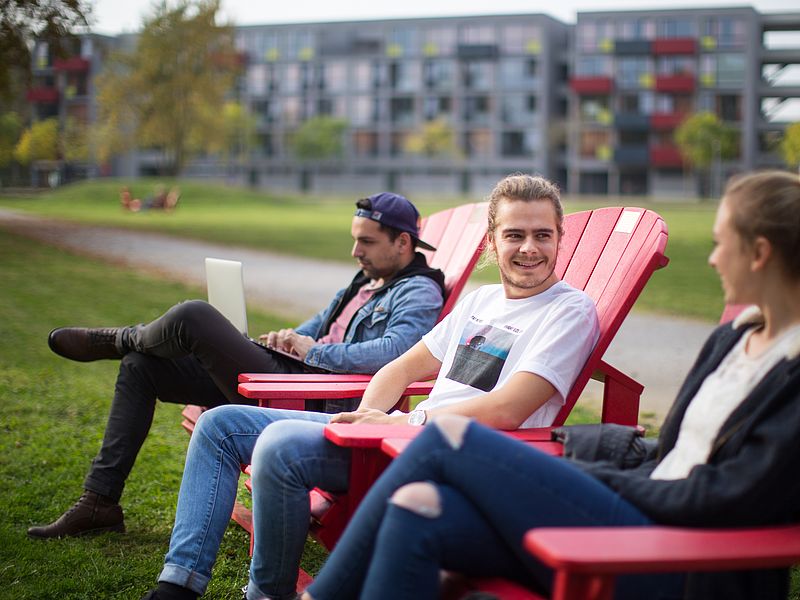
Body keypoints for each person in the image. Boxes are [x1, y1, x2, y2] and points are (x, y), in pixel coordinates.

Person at [303, 170, 800, 600]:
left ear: (758, 253)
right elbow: (676, 452)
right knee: (417, 510)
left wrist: (595, 480)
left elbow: (734, 497)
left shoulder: (792, 373)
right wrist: (602, 463)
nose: (712, 260)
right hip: (642, 512)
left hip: (683, 555)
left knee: (448, 437)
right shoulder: (733, 340)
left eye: (720, 243)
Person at [139, 173, 600, 600]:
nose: (529, 248)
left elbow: (509, 409)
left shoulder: (569, 311)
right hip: (399, 437)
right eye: (515, 235)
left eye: (543, 235)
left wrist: (408, 422)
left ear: (559, 238)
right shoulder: (482, 301)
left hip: (460, 454)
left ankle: (267, 594)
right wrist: (368, 418)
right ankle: (177, 585)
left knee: (279, 446)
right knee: (219, 425)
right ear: (492, 241)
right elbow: (398, 370)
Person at [28, 192, 446, 540]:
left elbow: (395, 352)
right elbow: (312, 330)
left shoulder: (418, 291)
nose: (355, 252)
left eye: (367, 242)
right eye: (355, 240)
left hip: (313, 398)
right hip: (290, 377)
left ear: (402, 243)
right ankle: (98, 502)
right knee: (141, 366)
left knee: (193, 315)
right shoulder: (364, 283)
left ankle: (117, 339)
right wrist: (285, 339)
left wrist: (311, 352)